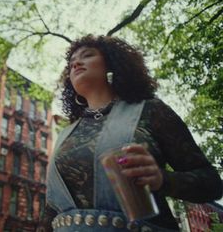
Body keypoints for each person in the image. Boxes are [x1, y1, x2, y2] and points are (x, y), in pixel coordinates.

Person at [40, 35, 222, 232]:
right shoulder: (65, 134)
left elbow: (211, 183)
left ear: (111, 64)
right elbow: (51, 210)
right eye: (71, 63)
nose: (76, 63)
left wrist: (162, 180)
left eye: (87, 55)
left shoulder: (150, 110)